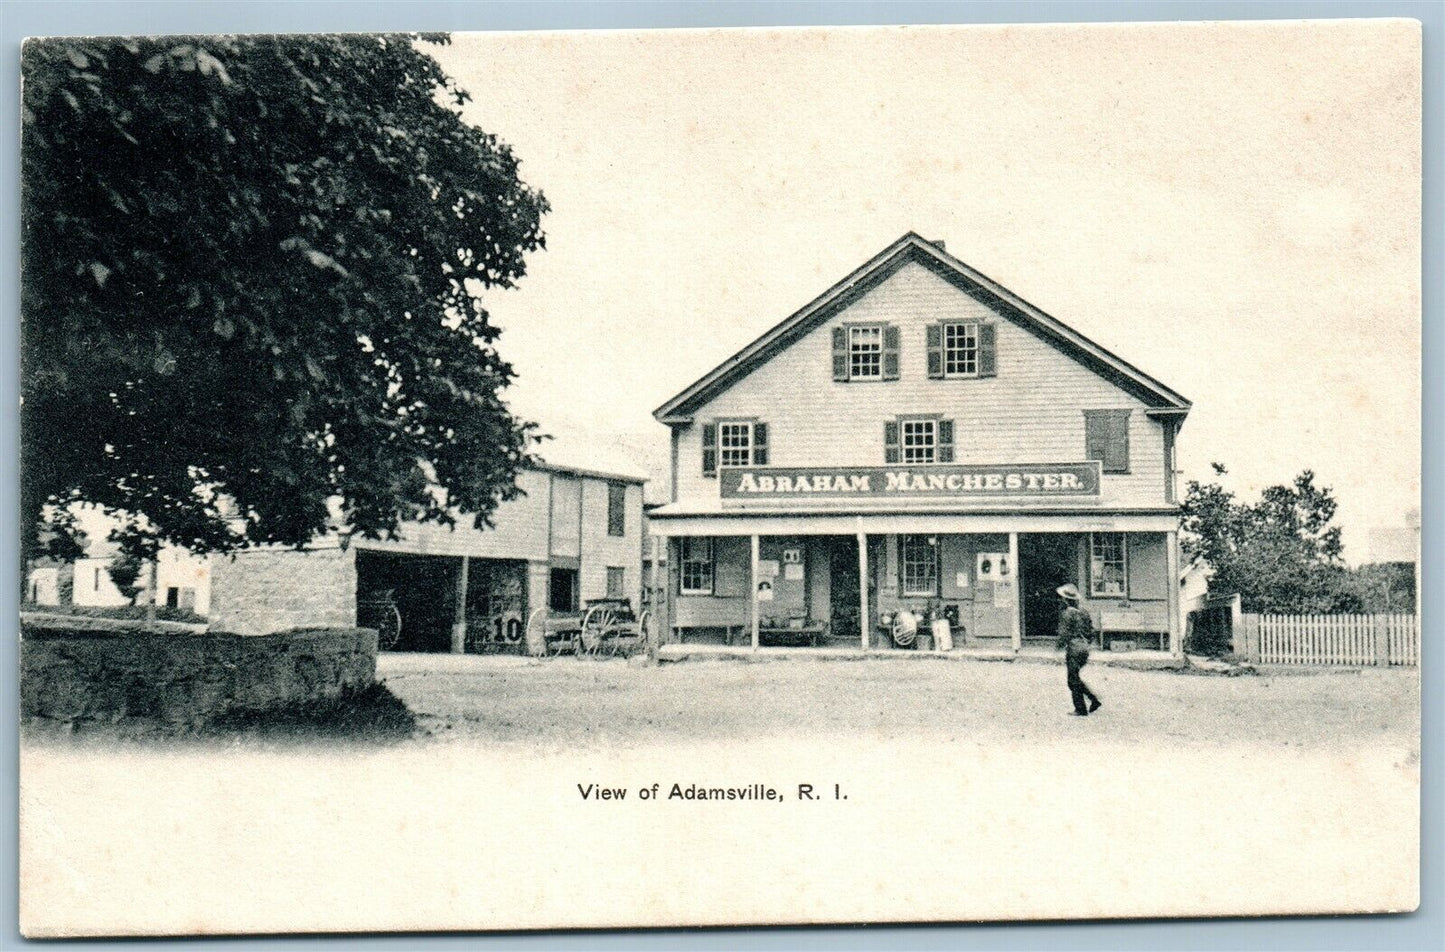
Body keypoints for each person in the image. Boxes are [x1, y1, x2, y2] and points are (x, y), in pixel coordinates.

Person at [1055, 584, 1101, 716]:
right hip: (1084, 648)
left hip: (1074, 649)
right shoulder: (1084, 611)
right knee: (1074, 679)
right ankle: (1093, 700)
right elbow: (1091, 630)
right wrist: (1087, 643)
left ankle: (1082, 708)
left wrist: (1058, 648)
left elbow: (1064, 634)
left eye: (1061, 598)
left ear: (1065, 600)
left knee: (1073, 680)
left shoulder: (1067, 614)